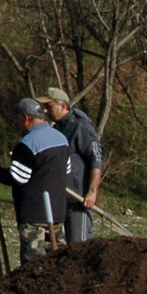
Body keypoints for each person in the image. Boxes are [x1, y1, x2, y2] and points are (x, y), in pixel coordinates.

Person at [0, 97, 71, 264]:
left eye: (18, 117)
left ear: (26, 117)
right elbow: (67, 170)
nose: (17, 122)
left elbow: (17, 177)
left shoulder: (27, 144)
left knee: (34, 266)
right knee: (58, 263)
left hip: (34, 216)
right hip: (57, 212)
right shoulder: (61, 139)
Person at [39, 87, 104, 244]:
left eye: (49, 106)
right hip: (59, 200)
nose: (46, 111)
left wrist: (92, 192)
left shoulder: (80, 127)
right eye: (44, 107)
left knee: (79, 247)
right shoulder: (56, 129)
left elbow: (96, 158)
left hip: (78, 201)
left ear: (63, 106)